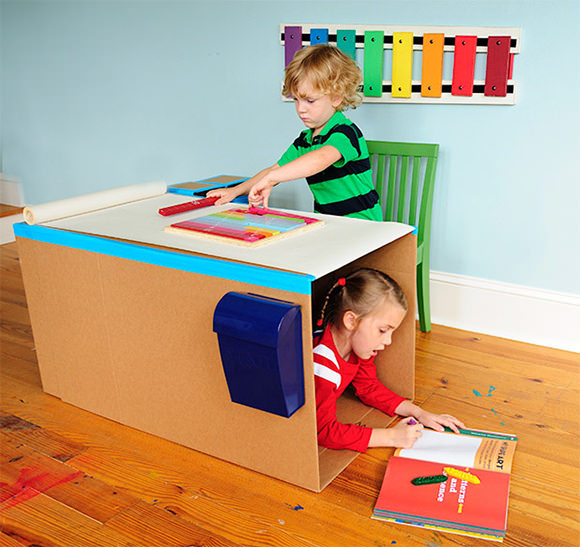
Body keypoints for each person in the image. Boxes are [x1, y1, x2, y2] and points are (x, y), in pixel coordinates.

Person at [207, 44, 383, 221]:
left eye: (310, 101)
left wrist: (272, 178)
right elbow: (274, 169)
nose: (301, 109)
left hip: (363, 223)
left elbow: (320, 159)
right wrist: (235, 191)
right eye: (296, 100)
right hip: (330, 223)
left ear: (336, 98)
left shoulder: (346, 133)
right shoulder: (304, 141)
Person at [314, 268, 464, 452]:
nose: (388, 341)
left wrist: (419, 412)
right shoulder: (322, 365)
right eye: (383, 330)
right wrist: (391, 436)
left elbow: (369, 388)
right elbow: (322, 431)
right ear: (351, 321)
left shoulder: (359, 348)